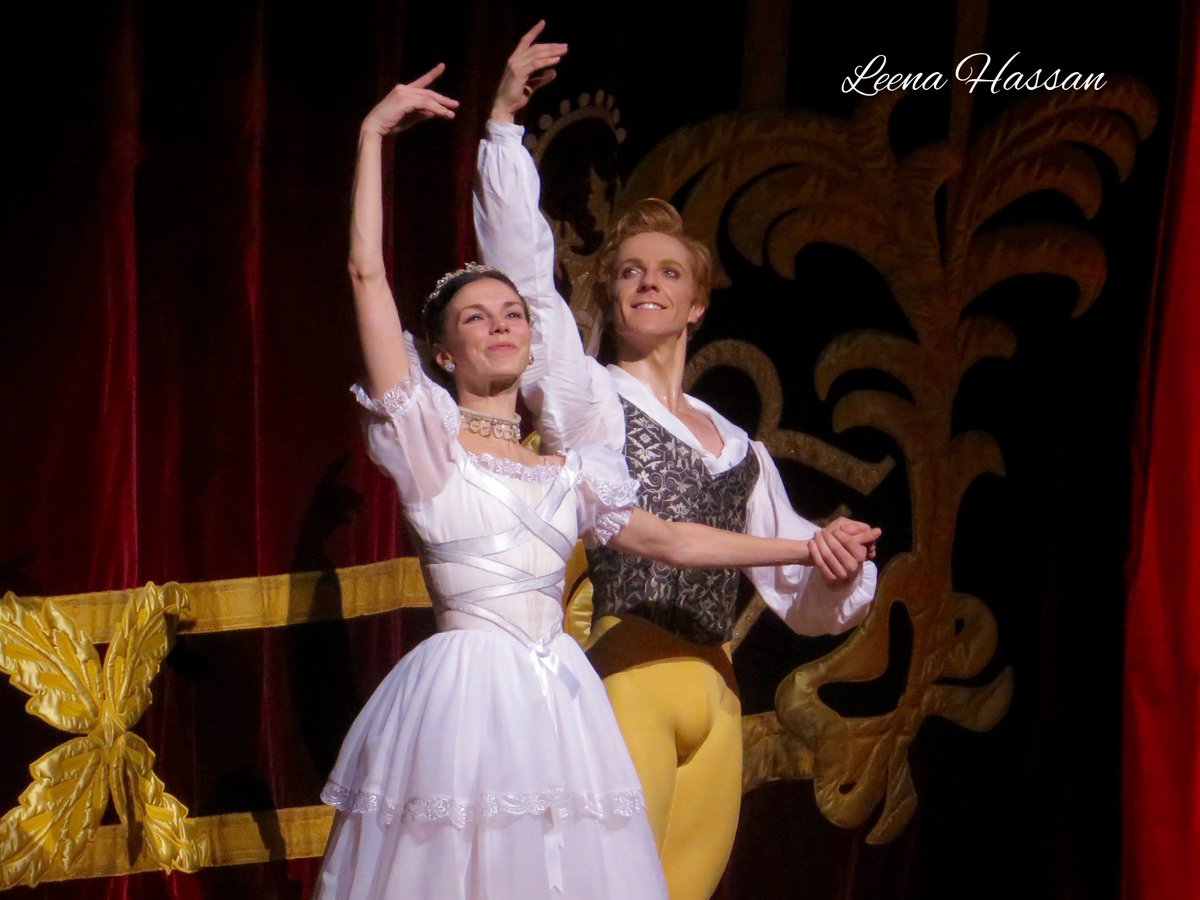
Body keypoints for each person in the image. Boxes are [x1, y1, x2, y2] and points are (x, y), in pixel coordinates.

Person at [315, 64, 874, 900]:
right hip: (531, 687)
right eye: (478, 318)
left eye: (670, 273)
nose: (503, 327)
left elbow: (678, 537)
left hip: (624, 696)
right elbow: (454, 279)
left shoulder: (617, 464)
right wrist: (477, 134)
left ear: (698, 303)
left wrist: (815, 545)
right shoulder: (532, 416)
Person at [473, 23, 882, 900]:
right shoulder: (589, 399)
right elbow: (524, 278)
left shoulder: (741, 445)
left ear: (697, 302)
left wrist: (837, 561)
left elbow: (803, 596)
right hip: (629, 679)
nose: (646, 283)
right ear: (609, 296)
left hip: (721, 698)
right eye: (627, 273)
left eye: (665, 272)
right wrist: (504, 131)